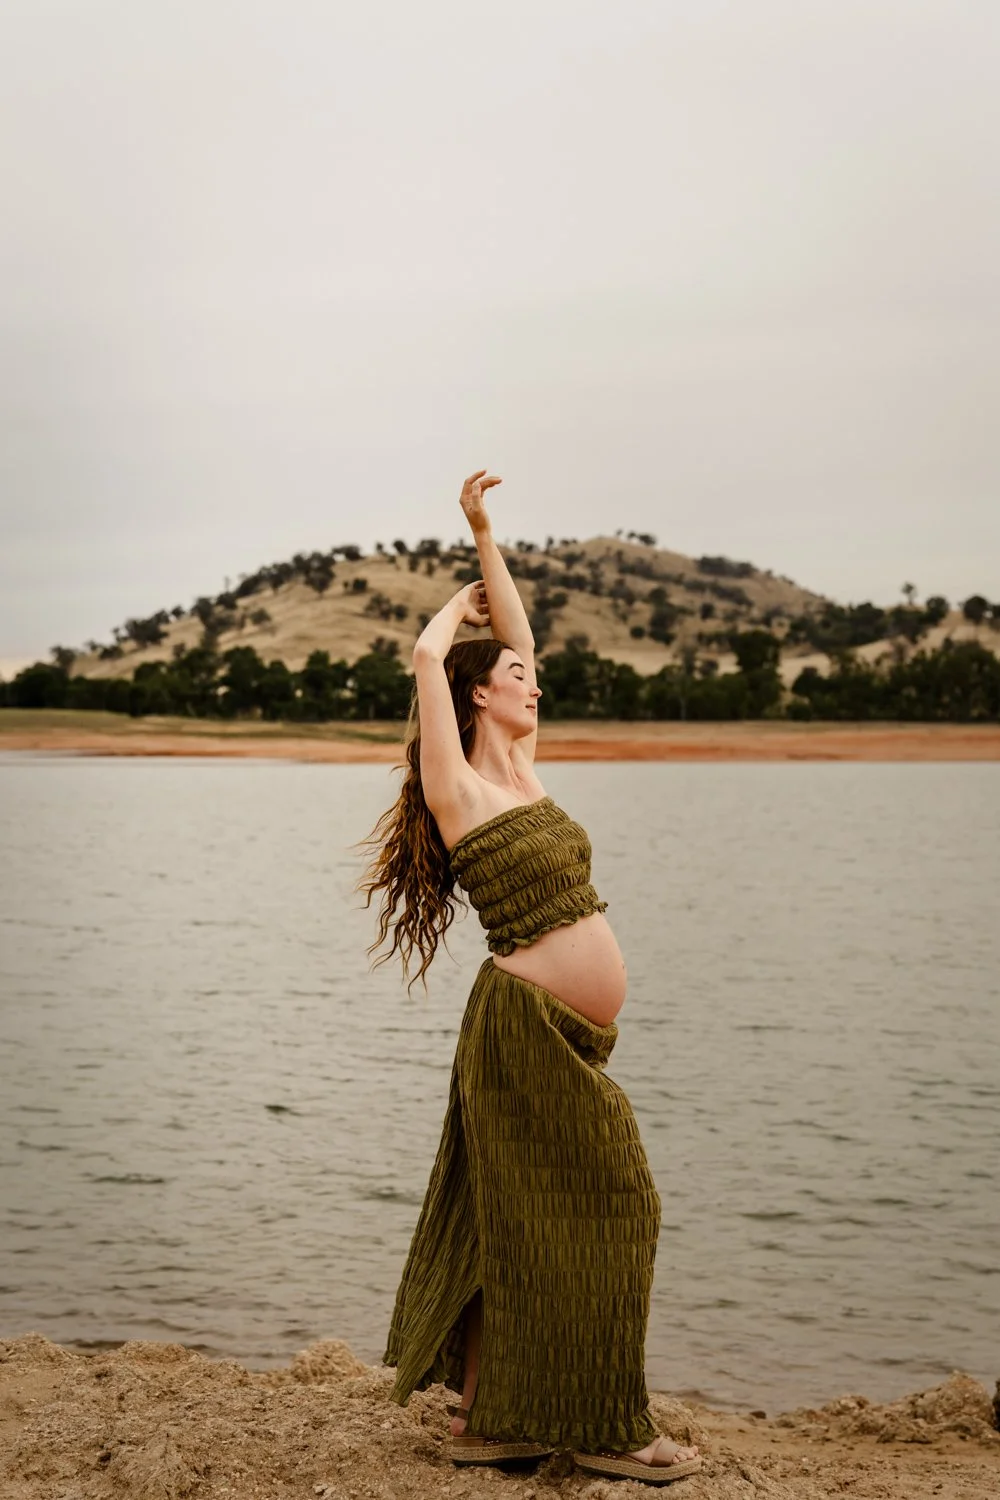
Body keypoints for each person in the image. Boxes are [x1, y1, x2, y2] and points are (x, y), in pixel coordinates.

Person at [357, 470, 702, 1486]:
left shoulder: (525, 767)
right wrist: (439, 628)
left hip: (563, 1034)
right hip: (522, 1031)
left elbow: (520, 635)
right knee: (615, 1204)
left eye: (528, 674)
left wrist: (484, 535)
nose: (531, 680)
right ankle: (602, 1426)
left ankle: (483, 1424)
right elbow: (429, 656)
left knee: (526, 1216)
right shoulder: (455, 784)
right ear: (475, 692)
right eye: (513, 676)